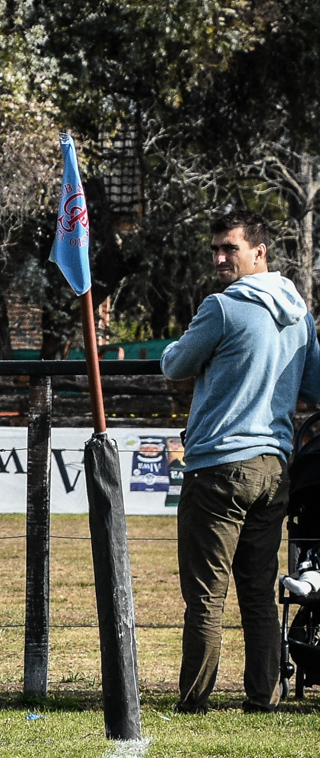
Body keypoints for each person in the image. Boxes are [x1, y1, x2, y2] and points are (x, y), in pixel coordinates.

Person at [161, 208, 320, 713]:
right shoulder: (299, 313)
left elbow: (176, 365)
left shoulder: (223, 307)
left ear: (259, 251)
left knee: (206, 594)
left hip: (219, 466)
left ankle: (195, 699)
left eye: (229, 247)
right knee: (257, 591)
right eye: (215, 249)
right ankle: (264, 696)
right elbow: (315, 387)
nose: (219, 258)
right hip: (273, 467)